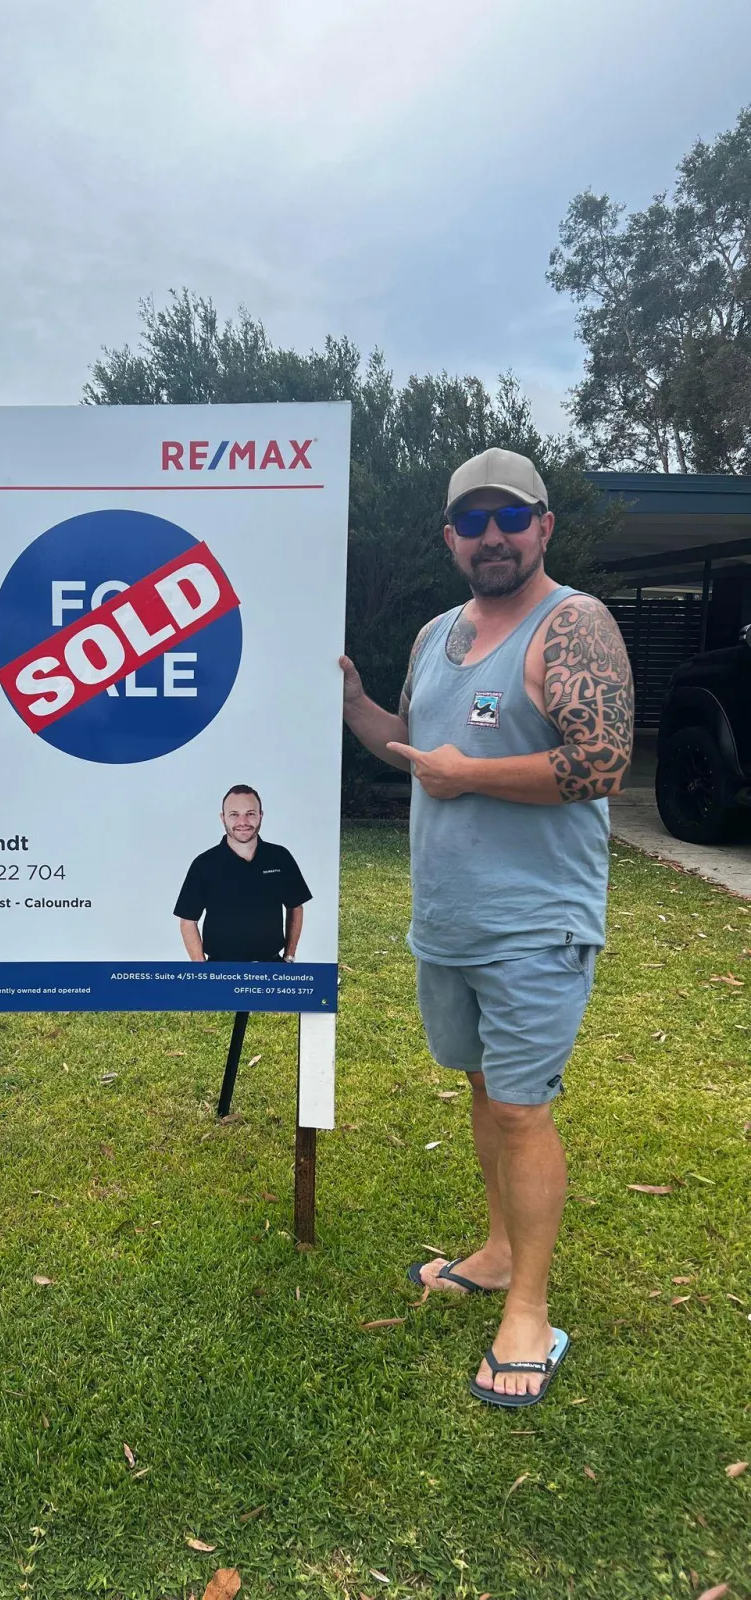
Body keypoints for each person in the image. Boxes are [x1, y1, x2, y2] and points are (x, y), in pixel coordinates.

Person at [340, 447, 632, 1409]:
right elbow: (414, 749)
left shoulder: (573, 622)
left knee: (521, 1108)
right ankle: (501, 1251)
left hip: (534, 923)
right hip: (449, 923)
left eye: (512, 517)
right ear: (451, 538)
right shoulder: (435, 634)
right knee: (482, 1093)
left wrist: (466, 774)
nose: (493, 536)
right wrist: (353, 705)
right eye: (474, 522)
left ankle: (531, 1318)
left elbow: (600, 764)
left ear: (544, 525)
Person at [174, 785, 312, 961]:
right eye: (234, 814)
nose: (243, 822)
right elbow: (187, 920)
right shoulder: (204, 864)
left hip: (272, 967)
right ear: (223, 818)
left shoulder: (280, 857)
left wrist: (289, 956)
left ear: (260, 816)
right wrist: (202, 972)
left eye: (250, 813)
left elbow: (296, 906)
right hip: (221, 969)